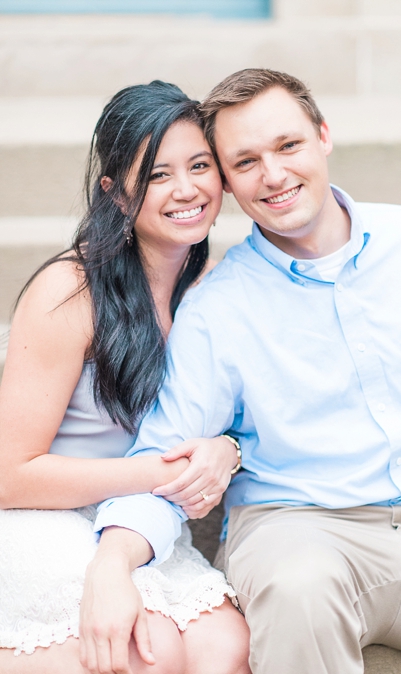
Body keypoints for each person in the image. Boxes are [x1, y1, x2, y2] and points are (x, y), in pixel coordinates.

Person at [82, 68, 401, 673]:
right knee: (297, 585)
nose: (274, 176)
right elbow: (165, 457)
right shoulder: (217, 307)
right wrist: (112, 562)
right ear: (227, 182)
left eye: (288, 146)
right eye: (245, 162)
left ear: (323, 136)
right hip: (300, 529)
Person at [0, 81, 250, 674]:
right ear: (115, 193)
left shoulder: (212, 289)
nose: (186, 189)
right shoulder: (72, 290)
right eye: (158, 175)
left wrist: (226, 450)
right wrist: (168, 472)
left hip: (140, 520)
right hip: (42, 518)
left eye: (199, 166)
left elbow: (247, 426)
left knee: (227, 649)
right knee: (150, 651)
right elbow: (9, 475)